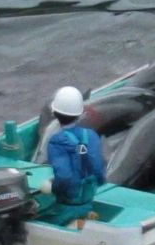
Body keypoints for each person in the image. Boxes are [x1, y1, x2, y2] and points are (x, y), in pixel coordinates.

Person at [36, 86, 106, 227]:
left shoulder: (57, 140)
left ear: (54, 113)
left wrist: (51, 187)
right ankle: (85, 219)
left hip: (65, 207)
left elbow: (64, 177)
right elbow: (99, 170)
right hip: (87, 202)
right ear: (80, 114)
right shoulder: (90, 136)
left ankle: (74, 223)